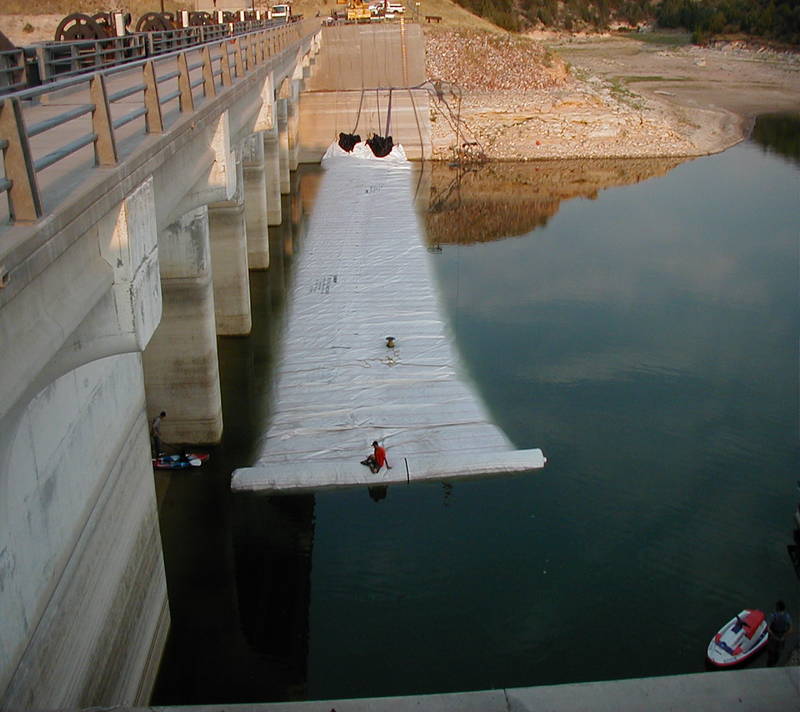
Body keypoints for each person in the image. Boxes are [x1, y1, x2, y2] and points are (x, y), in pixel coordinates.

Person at [766, 600, 792, 666]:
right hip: (782, 637)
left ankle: (769, 665)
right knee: (778, 652)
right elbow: (790, 629)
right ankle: (775, 664)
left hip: (773, 637)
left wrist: (773, 635)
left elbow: (768, 628)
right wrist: (783, 635)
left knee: (771, 652)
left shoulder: (773, 616)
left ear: (777, 608)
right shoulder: (787, 617)